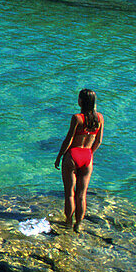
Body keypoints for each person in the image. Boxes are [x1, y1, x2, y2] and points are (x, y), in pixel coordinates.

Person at [53, 88, 103, 229]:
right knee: (82, 195)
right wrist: (89, 154)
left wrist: (59, 156)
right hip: (87, 155)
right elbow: (98, 141)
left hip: (72, 155)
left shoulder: (77, 118)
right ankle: (78, 225)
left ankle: (68, 223)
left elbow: (68, 140)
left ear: (81, 101)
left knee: (69, 193)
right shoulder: (99, 118)